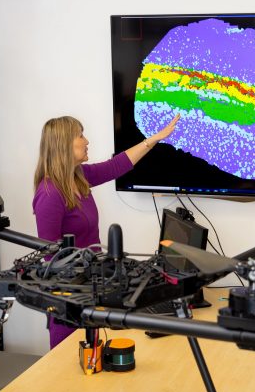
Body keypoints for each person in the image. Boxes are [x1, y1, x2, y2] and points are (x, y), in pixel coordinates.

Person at [33, 113, 179, 348]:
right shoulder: (50, 194)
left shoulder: (79, 177)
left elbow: (117, 165)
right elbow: (50, 256)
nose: (87, 140)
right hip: (69, 300)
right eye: (80, 135)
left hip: (90, 289)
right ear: (63, 144)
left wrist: (157, 138)